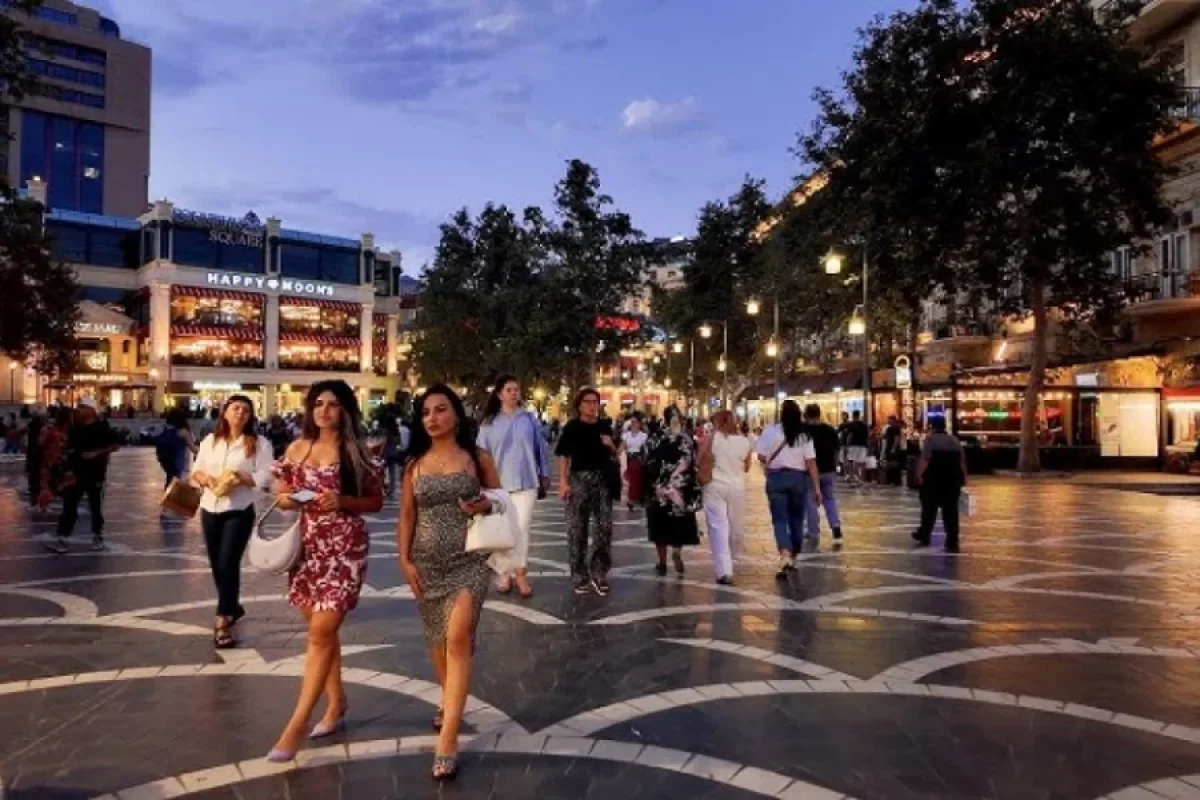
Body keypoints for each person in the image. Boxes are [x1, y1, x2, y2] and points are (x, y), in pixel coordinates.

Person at [266, 381, 383, 763]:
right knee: (322, 631)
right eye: (318, 404)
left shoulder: (354, 452)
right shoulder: (297, 449)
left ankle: (297, 724)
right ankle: (337, 703)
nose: (325, 410)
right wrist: (285, 497)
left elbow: (376, 501)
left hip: (345, 548)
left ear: (346, 410)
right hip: (306, 549)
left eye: (333, 404)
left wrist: (345, 500)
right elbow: (280, 492)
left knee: (320, 632)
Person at [398, 385, 502, 781]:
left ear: (456, 415)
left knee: (457, 638)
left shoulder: (477, 458)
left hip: (470, 561)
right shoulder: (415, 464)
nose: (433, 418)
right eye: (426, 412)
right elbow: (407, 516)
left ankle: (449, 739)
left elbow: (501, 497)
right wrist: (404, 560)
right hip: (427, 564)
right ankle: (450, 700)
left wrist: (488, 503)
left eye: (441, 410)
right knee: (439, 642)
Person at [190, 395, 274, 649]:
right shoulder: (211, 441)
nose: (240, 413)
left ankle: (222, 619)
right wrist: (208, 480)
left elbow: (265, 477)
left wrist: (241, 477)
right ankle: (233, 606)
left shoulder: (259, 444)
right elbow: (196, 470)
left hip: (238, 509)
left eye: (246, 410)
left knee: (228, 561)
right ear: (225, 412)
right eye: (236, 408)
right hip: (209, 507)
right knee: (217, 564)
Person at [476, 375, 550, 598]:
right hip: (497, 484)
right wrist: (480, 482)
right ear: (499, 394)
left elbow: (540, 448)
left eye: (516, 389)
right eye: (509, 390)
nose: (514, 393)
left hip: (527, 481)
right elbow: (481, 454)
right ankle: (504, 573)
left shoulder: (529, 419)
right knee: (503, 528)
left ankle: (520, 573)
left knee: (522, 528)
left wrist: (544, 473)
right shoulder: (489, 423)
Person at [555, 388, 616, 596]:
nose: (592, 406)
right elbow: (563, 455)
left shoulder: (604, 426)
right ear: (579, 405)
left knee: (604, 527)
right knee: (577, 529)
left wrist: (611, 446)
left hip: (602, 480)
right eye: (588, 402)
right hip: (579, 479)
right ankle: (579, 574)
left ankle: (599, 572)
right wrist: (563, 482)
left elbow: (614, 454)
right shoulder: (572, 427)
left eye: (595, 402)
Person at [755, 399, 821, 578]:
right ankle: (794, 555)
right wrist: (817, 489)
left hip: (776, 478)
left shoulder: (771, 431)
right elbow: (811, 463)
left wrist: (769, 461)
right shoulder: (804, 435)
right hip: (798, 479)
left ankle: (784, 552)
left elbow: (760, 455)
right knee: (797, 519)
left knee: (779, 519)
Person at [48, 398, 120, 553]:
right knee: (70, 505)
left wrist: (96, 453)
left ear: (92, 410)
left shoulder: (102, 428)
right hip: (76, 473)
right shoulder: (75, 428)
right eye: (78, 407)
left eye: (82, 407)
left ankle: (97, 535)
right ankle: (62, 538)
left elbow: (115, 446)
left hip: (95, 473)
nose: (78, 410)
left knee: (95, 506)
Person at [644, 409, 702, 576]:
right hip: (680, 488)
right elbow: (693, 461)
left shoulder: (655, 438)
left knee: (659, 526)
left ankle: (662, 562)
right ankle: (676, 550)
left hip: (659, 489)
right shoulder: (687, 439)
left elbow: (645, 459)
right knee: (679, 522)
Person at [700, 410, 751, 584]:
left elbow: (700, 460)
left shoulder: (710, 439)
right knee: (735, 526)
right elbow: (747, 467)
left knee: (718, 527)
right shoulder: (745, 441)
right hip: (736, 487)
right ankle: (732, 557)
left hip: (714, 486)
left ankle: (724, 570)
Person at [912, 415, 968, 553]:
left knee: (929, 509)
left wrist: (919, 475)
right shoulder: (954, 440)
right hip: (952, 479)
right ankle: (952, 541)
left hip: (934, 479)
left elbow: (925, 460)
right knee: (951, 511)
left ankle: (925, 534)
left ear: (932, 426)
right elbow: (962, 462)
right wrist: (964, 478)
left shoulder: (930, 440)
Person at [803, 404, 843, 544]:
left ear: (806, 415)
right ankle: (835, 525)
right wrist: (836, 465)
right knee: (829, 498)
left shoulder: (803, 431)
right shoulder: (830, 429)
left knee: (810, 501)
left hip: (809, 471)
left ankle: (813, 531)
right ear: (819, 414)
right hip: (828, 470)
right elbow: (837, 450)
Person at [37, 408, 73, 511]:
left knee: (67, 482)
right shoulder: (50, 430)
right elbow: (40, 444)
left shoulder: (68, 430)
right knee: (48, 483)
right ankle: (44, 505)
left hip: (64, 461)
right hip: (51, 462)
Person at [156, 407, 198, 489]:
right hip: (182, 469)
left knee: (170, 490)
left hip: (170, 468)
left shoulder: (166, 431)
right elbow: (194, 449)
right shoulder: (183, 432)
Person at [620, 416, 648, 512]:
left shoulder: (643, 436)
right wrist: (616, 453)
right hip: (630, 458)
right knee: (632, 479)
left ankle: (634, 498)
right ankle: (632, 498)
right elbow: (622, 446)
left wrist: (648, 457)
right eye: (632, 422)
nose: (634, 424)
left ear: (639, 424)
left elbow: (646, 448)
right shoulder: (626, 435)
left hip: (639, 459)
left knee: (637, 479)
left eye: (636, 422)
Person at [24, 409, 46, 505]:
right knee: (38, 473)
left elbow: (22, 431)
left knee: (33, 473)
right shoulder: (43, 427)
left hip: (33, 452)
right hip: (39, 452)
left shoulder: (31, 425)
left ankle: (35, 494)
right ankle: (38, 494)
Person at [845, 410, 869, 484]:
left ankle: (852, 477)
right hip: (863, 446)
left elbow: (850, 435)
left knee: (851, 461)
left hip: (853, 445)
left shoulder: (851, 424)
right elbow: (867, 436)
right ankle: (860, 479)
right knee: (861, 463)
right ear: (859, 415)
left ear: (853, 415)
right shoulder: (865, 425)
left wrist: (847, 445)